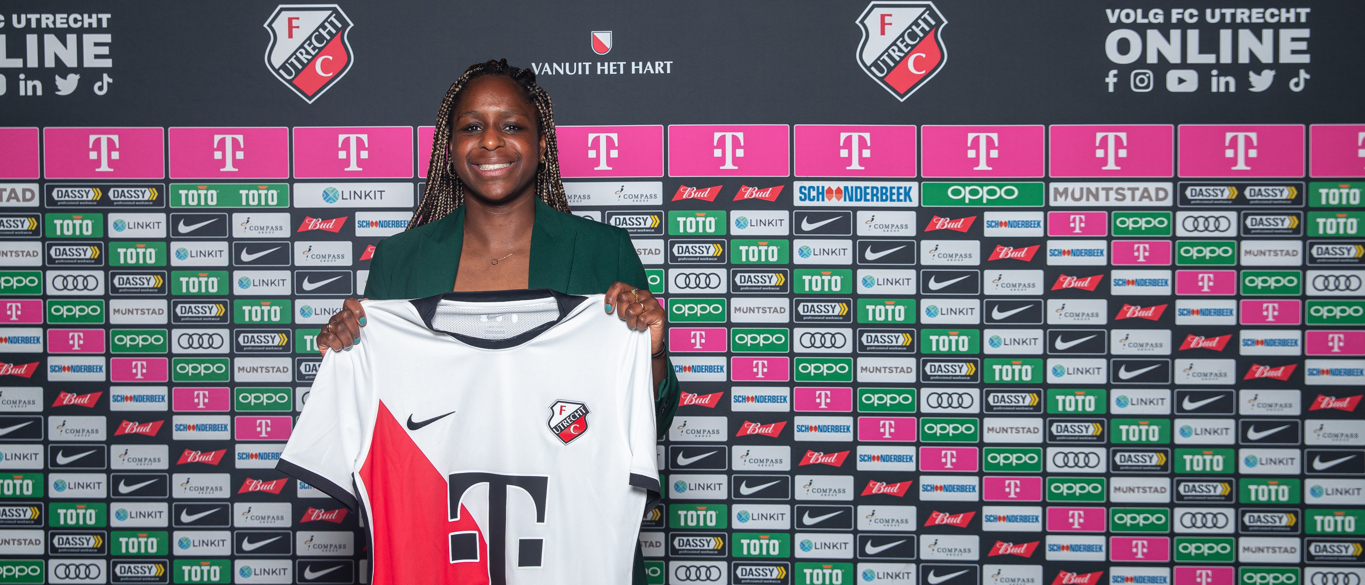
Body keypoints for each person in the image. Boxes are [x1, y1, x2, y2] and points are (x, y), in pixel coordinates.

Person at [314, 59, 679, 583]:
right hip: (443, 551)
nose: (490, 141)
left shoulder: (602, 251)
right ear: (449, 147)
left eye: (511, 125)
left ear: (542, 143)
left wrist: (653, 351)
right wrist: (345, 353)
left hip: (571, 550)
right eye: (471, 127)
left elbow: (648, 425)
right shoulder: (400, 260)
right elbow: (372, 435)